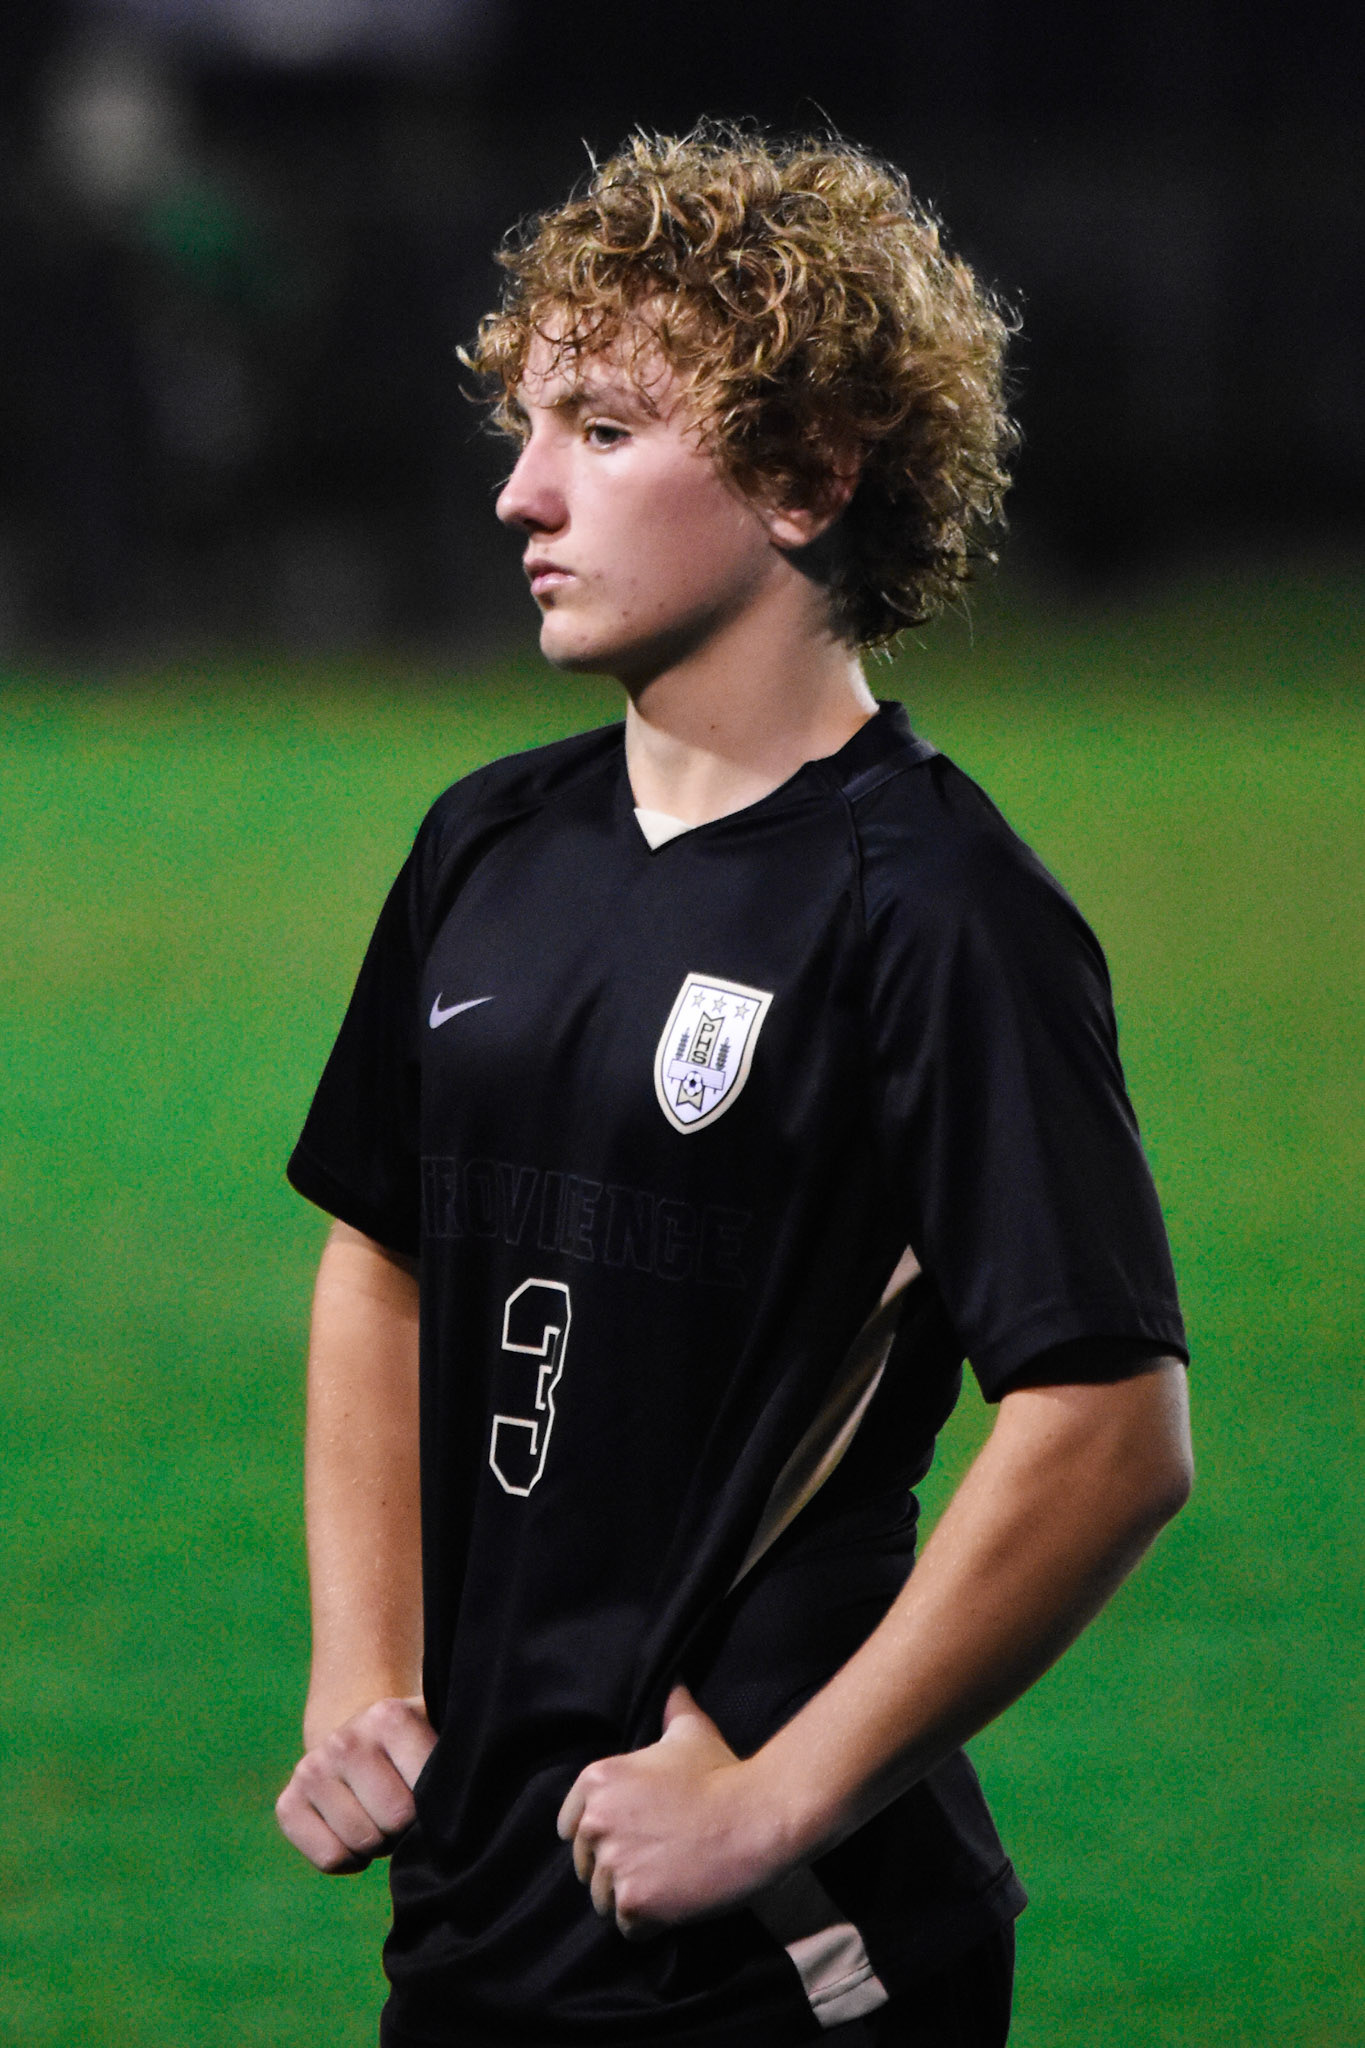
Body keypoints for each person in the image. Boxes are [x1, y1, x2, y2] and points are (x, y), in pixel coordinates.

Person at [275, 124, 1193, 2047]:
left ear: (806, 475)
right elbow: (382, 1251)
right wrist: (360, 1668)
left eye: (602, 431)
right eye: (527, 427)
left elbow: (1108, 1425)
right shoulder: (482, 846)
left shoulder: (934, 908)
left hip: (780, 1941)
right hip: (477, 1896)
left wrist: (777, 1800)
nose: (523, 493)